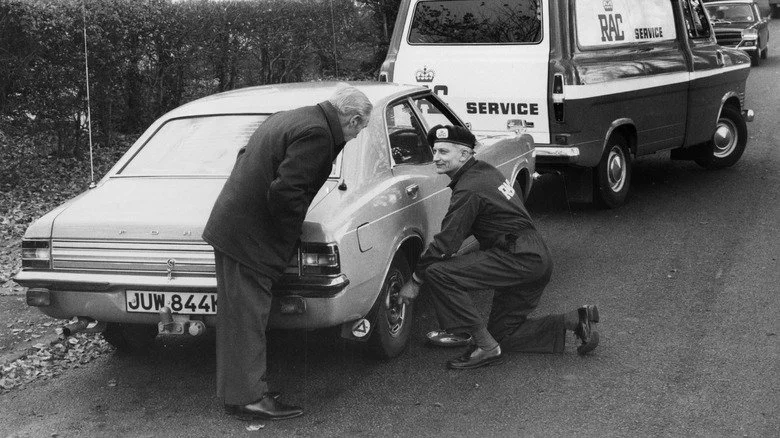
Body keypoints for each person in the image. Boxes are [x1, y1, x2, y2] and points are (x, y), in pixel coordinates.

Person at [203, 84, 372, 420]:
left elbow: (245, 157)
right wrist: (288, 237)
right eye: (359, 130)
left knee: (238, 318)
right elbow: (286, 191)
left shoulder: (292, 117)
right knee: (248, 317)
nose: (354, 138)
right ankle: (249, 398)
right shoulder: (318, 133)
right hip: (251, 235)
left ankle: (239, 392)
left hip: (233, 226)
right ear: (352, 119)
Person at [399, 124, 600, 370]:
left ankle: (485, 347)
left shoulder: (469, 188)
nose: (436, 158)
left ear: (463, 155)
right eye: (435, 151)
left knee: (438, 273)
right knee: (504, 335)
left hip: (517, 257)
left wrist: (415, 280)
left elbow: (446, 244)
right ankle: (574, 320)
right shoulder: (484, 172)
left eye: (443, 152)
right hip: (534, 255)